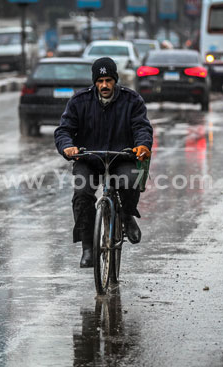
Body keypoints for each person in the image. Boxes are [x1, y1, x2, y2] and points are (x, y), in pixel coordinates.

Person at [54, 57, 153, 268]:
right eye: (100, 81)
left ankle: (126, 216)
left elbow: (142, 128)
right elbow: (64, 130)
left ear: (115, 80)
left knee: (130, 181)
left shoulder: (131, 100)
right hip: (88, 158)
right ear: (94, 82)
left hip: (122, 157)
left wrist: (143, 145)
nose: (105, 85)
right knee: (82, 194)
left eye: (109, 80)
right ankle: (88, 247)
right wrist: (67, 147)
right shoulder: (79, 101)